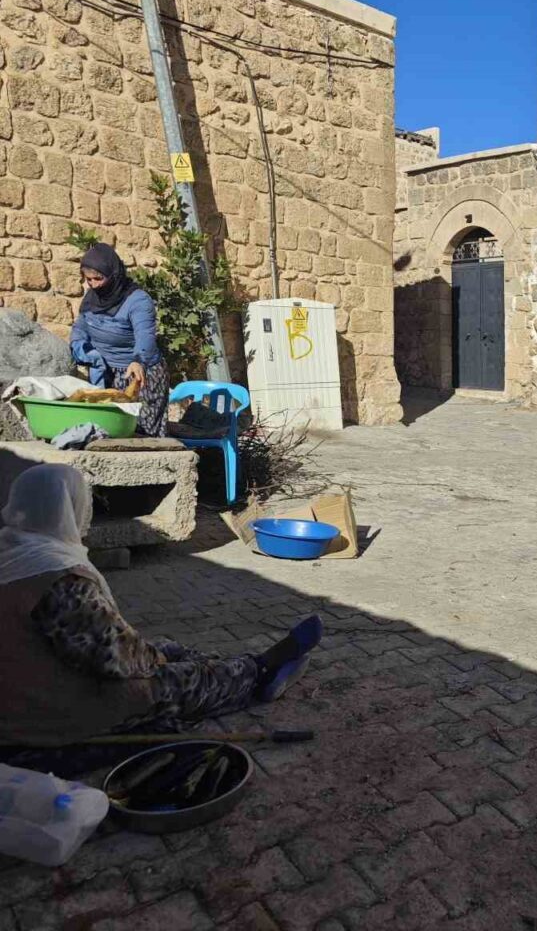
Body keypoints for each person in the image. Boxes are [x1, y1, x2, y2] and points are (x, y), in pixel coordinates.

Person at [0, 465, 322, 749]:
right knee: (176, 681)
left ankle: (231, 668)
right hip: (48, 713)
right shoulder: (59, 580)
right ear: (69, 509)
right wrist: (160, 663)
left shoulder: (13, 553)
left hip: (29, 687)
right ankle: (258, 671)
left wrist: (159, 655)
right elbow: (119, 660)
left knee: (166, 648)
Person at [69, 243, 169, 438]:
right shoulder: (91, 299)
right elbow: (81, 326)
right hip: (106, 373)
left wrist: (138, 360)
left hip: (139, 375)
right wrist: (79, 345)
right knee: (107, 431)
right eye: (89, 279)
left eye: (98, 278)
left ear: (113, 275)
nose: (94, 284)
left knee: (141, 434)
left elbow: (145, 335)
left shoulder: (138, 301)